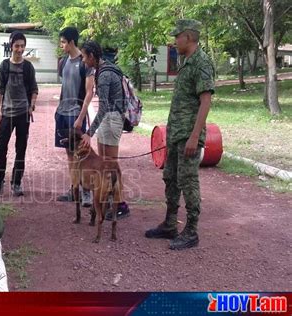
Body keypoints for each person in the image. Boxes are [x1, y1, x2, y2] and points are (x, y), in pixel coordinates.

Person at [145, 19, 215, 250]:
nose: (174, 41)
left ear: (188, 36)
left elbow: (206, 101)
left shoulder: (201, 62)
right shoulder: (186, 62)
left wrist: (195, 136)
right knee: (171, 178)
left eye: (177, 36)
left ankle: (192, 231)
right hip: (176, 133)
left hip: (189, 135)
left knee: (188, 181)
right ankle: (169, 224)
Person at [79, 40, 130, 220]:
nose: (84, 60)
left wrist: (89, 133)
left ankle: (120, 204)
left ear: (92, 56)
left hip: (112, 119)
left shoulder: (105, 74)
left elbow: (103, 107)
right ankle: (109, 201)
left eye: (85, 56)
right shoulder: (103, 69)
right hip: (108, 119)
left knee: (110, 164)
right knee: (104, 164)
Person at [0, 31, 38, 197]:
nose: (19, 49)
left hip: (23, 115)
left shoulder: (28, 67)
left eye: (22, 46)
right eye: (17, 46)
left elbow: (34, 90)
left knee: (21, 149)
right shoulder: (4, 66)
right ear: (11, 46)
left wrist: (31, 107)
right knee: (0, 148)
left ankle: (16, 183)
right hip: (7, 114)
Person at [55, 27, 94, 207]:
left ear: (71, 42)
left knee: (82, 154)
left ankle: (86, 192)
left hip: (76, 115)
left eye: (63, 42)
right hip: (63, 114)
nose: (61, 45)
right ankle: (74, 189)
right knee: (70, 155)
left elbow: (89, 93)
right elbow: (64, 87)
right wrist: (58, 111)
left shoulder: (84, 63)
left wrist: (81, 117)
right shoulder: (63, 62)